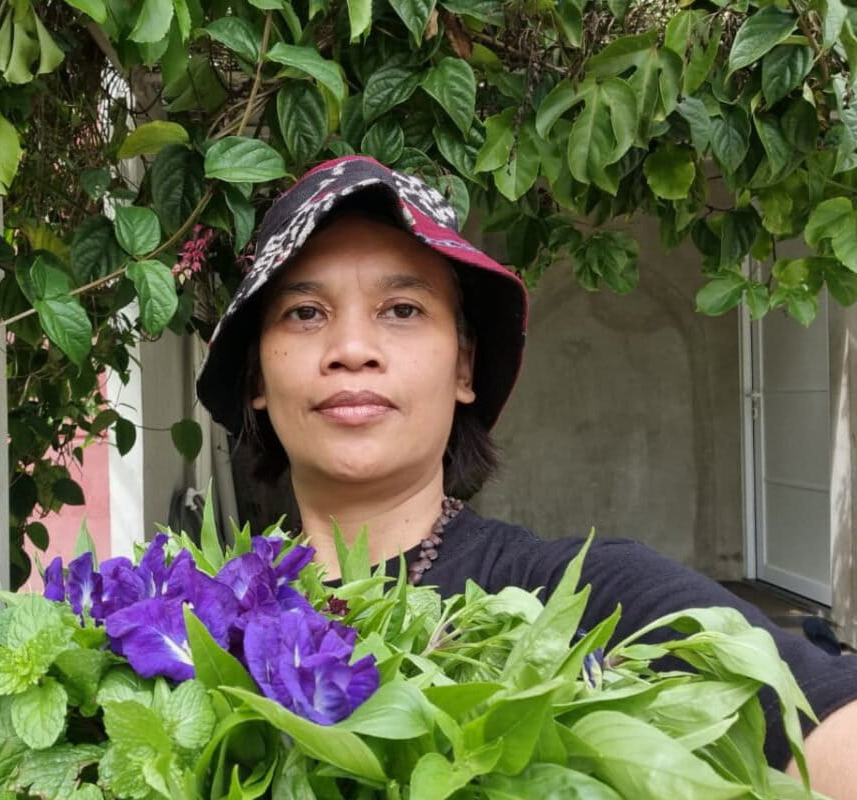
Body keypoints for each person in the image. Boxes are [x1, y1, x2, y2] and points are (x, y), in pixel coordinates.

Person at [195, 155, 857, 797]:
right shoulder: (192, 622)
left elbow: (829, 728)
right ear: (257, 375)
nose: (351, 350)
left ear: (463, 368)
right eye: (305, 313)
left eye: (402, 309)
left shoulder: (589, 604)